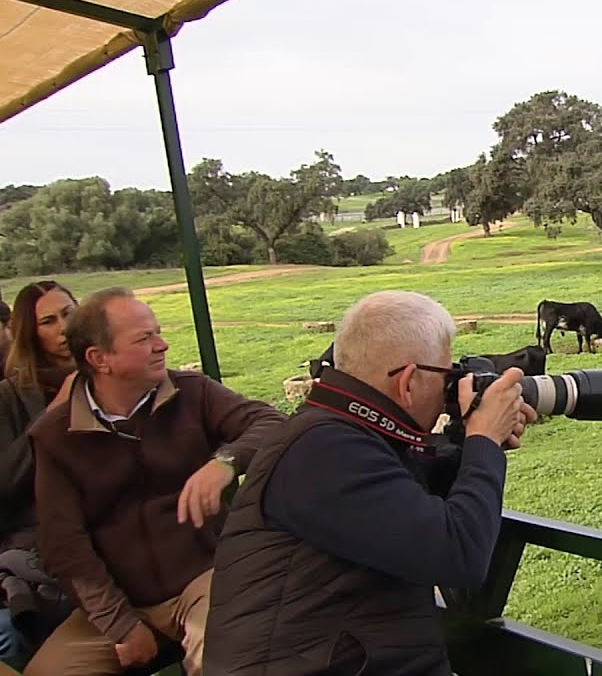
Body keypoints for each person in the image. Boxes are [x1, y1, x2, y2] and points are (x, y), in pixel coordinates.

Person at [205, 290, 536, 676]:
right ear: (409, 381)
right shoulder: (323, 450)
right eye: (448, 377)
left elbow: (405, 505)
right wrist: (484, 441)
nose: (452, 389)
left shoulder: (338, 433)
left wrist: (469, 442)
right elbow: (459, 553)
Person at [23, 286, 287, 676]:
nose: (162, 345)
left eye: (158, 332)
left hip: (205, 577)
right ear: (100, 359)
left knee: (229, 657)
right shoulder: (54, 437)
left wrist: (225, 462)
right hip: (118, 601)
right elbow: (64, 546)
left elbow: (271, 422)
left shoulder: (191, 391)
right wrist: (121, 625)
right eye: (144, 338)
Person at [0, 281, 78, 671]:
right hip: (37, 542)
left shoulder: (109, 376)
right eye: (48, 321)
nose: (63, 328)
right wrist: (53, 417)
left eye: (68, 313)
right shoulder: (11, 397)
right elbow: (5, 483)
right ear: (31, 332)